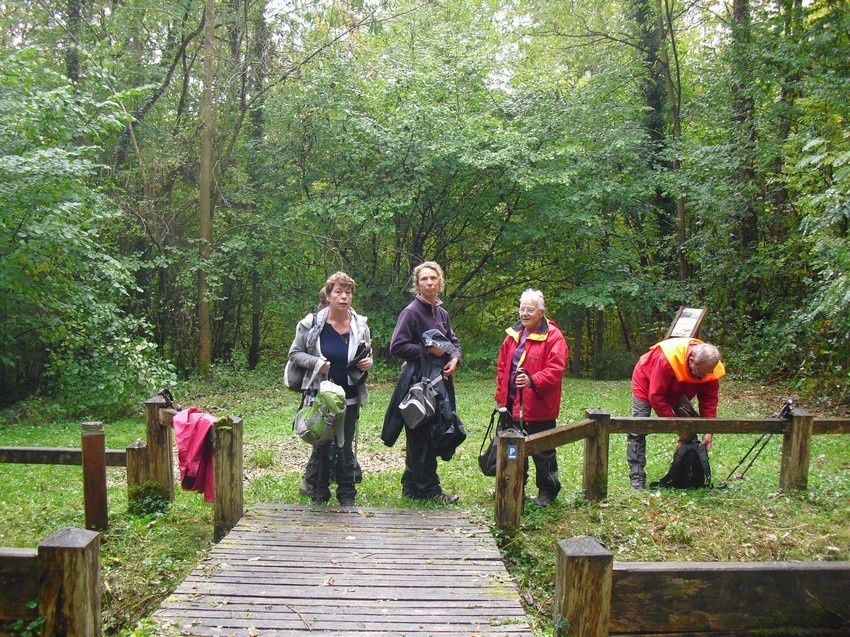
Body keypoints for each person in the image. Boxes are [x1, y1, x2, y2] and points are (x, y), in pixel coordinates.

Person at [288, 272, 372, 505]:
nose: (344, 297)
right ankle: (319, 494)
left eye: (348, 292)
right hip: (320, 396)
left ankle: (347, 496)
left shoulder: (360, 325)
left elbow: (367, 353)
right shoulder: (311, 324)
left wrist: (368, 363)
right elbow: (294, 354)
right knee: (322, 445)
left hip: (350, 395)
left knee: (345, 447)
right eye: (338, 292)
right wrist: (317, 363)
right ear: (328, 295)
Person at [382, 261, 461, 504]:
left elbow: (453, 342)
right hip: (417, 384)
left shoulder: (441, 313)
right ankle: (430, 490)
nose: (429, 282)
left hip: (439, 382)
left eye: (433, 278)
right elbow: (397, 346)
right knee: (421, 433)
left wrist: (455, 357)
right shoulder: (412, 312)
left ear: (440, 282)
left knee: (430, 432)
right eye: (424, 279)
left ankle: (411, 485)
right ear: (417, 284)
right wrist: (428, 351)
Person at [494, 289, 567, 507]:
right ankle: (516, 487)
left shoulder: (553, 336)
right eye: (522, 309)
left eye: (530, 310)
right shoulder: (512, 335)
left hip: (539, 406)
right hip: (511, 405)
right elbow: (502, 368)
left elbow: (556, 369)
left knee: (543, 451)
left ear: (541, 311)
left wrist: (532, 380)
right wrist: (500, 400)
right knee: (513, 450)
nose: (525, 313)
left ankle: (548, 491)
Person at [628, 337, 726, 489]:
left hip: (681, 388)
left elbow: (709, 399)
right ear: (691, 360)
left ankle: (684, 474)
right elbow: (656, 396)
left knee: (689, 428)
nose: (704, 377)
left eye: (707, 374)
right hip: (647, 380)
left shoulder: (708, 368)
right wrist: (677, 427)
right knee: (638, 427)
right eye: (700, 373)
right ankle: (637, 477)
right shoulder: (667, 360)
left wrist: (708, 430)